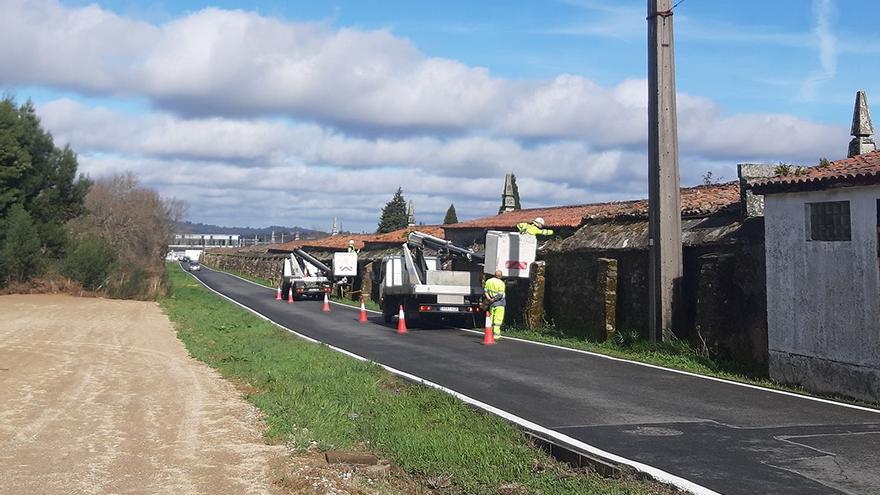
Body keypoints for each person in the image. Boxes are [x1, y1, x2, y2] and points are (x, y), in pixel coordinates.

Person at [484, 270, 506, 340]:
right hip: (499, 303)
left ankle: (489, 332)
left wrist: (489, 299)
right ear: (501, 276)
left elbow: (486, 291)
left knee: (491, 318)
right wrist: (494, 299)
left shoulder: (488, 281)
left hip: (492, 304)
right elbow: (500, 294)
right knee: (498, 320)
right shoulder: (501, 283)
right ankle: (496, 335)